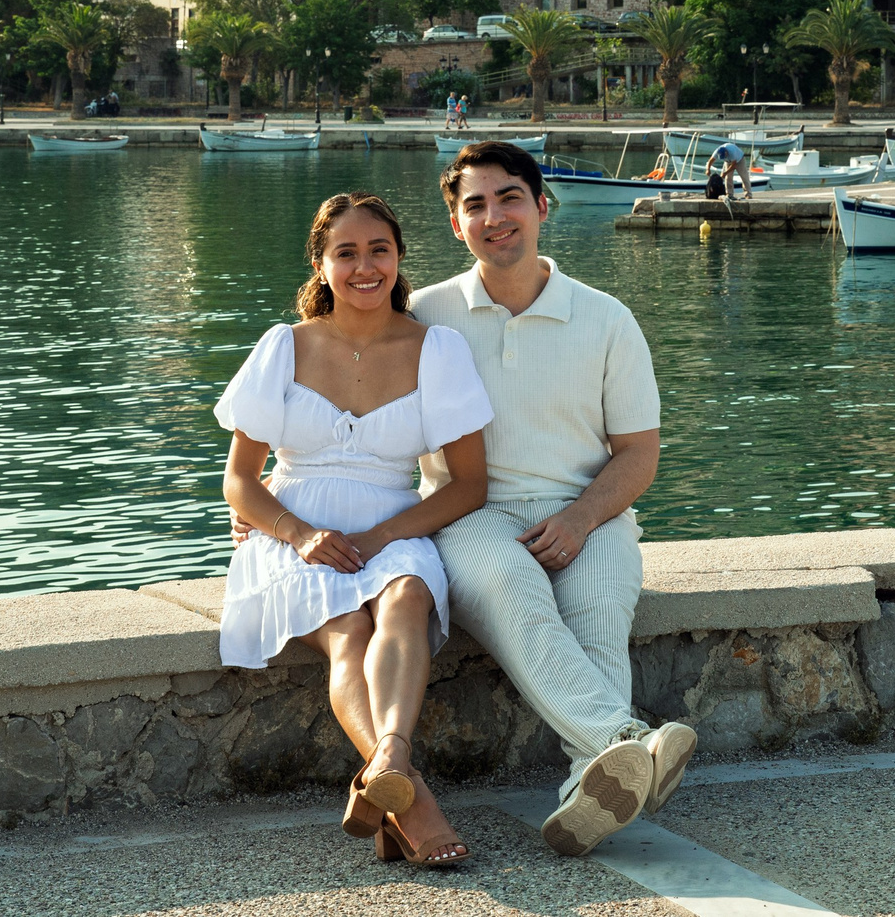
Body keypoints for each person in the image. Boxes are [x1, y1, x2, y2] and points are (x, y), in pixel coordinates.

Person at [412, 141, 695, 858]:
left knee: (598, 608)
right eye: (474, 204)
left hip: (588, 507)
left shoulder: (606, 320)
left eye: (509, 197)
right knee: (513, 585)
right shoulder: (421, 315)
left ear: (542, 206)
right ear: (456, 223)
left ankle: (587, 789)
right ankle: (624, 740)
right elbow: (354, 412)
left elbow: (639, 451)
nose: (493, 216)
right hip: (470, 512)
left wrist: (580, 516)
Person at [215, 193, 494, 868]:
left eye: (379, 250)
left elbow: (468, 484)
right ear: (321, 262)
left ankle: (388, 760)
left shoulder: (438, 348)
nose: (365, 266)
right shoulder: (283, 346)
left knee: (403, 599)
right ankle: (412, 798)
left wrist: (381, 537)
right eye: (347, 252)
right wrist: (300, 532)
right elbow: (239, 481)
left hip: (395, 521)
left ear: (399, 258)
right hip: (292, 528)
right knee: (348, 630)